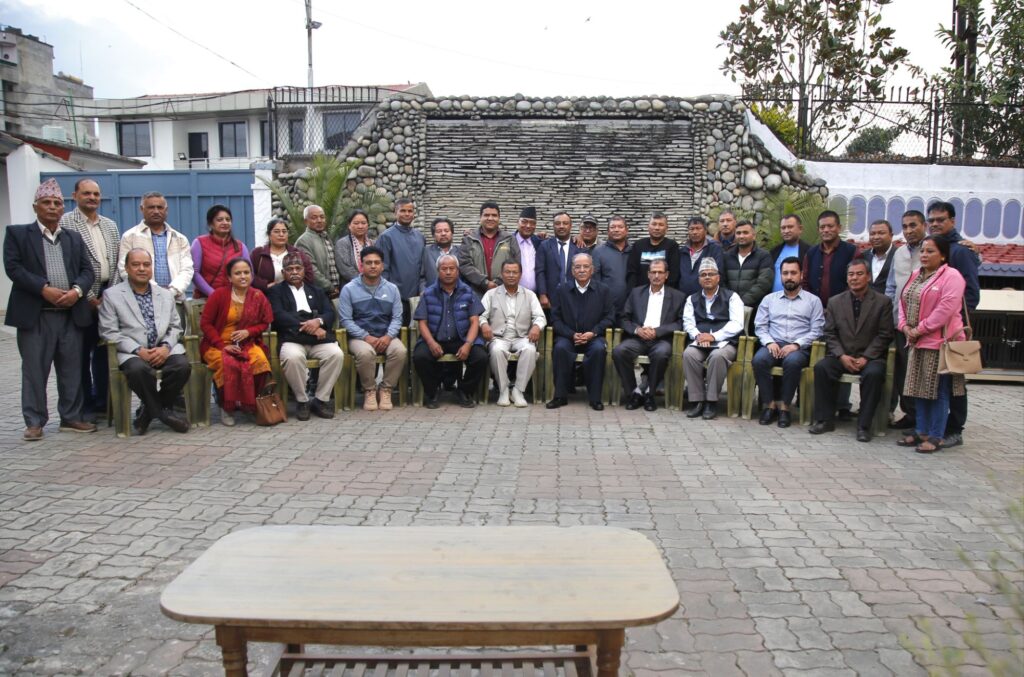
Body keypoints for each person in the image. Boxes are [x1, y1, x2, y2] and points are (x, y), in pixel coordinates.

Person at [4, 179, 96, 440]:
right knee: (34, 370)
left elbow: (87, 270)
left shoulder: (73, 238)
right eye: (46, 202)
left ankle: (71, 416)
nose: (53, 207)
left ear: (63, 208)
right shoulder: (18, 234)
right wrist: (43, 289)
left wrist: (76, 291)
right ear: (36, 207)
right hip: (36, 316)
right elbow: (13, 268)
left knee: (71, 369)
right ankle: (35, 421)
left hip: (69, 315)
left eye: (57, 203)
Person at [98, 248, 191, 434]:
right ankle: (164, 414)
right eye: (136, 264)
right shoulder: (112, 295)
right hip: (132, 352)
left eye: (146, 265)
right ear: (126, 268)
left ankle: (147, 414)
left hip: (163, 348)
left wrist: (165, 347)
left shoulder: (165, 294)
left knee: (182, 366)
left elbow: (175, 327)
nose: (142, 269)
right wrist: (138, 350)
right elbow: (108, 331)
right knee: (138, 370)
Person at [809, 259, 894, 442]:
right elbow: (829, 333)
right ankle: (825, 420)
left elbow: (885, 335)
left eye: (859, 274)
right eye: (851, 274)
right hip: (842, 355)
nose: (854, 278)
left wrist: (866, 357)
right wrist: (841, 355)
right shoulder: (835, 302)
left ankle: (864, 426)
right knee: (822, 368)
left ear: (868, 277)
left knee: (874, 374)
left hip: (870, 358)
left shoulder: (883, 302)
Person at [897, 235, 967, 454]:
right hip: (916, 342)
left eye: (930, 251)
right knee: (919, 390)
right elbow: (902, 302)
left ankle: (936, 436)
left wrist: (919, 329)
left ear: (943, 255)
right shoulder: (916, 275)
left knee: (938, 392)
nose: (924, 255)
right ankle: (922, 431)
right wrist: (904, 327)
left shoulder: (952, 276)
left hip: (940, 344)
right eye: (923, 251)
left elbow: (945, 310)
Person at [59, 178, 120, 416]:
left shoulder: (110, 225)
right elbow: (68, 264)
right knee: (81, 353)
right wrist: (91, 297)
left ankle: (104, 402)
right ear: (75, 196)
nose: (92, 198)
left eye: (95, 194)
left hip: (108, 295)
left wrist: (109, 295)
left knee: (106, 351)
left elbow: (118, 262)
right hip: (81, 297)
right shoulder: (66, 222)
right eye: (86, 193)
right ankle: (85, 405)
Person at [926, 201, 980, 449]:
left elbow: (971, 295)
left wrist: (954, 322)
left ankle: (955, 429)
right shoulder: (931, 248)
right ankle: (932, 426)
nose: (935, 224)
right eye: (932, 220)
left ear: (952, 221)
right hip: (931, 330)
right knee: (935, 382)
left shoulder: (961, 251)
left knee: (955, 381)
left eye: (941, 220)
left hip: (952, 331)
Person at [268, 253, 344, 421]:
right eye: (290, 269)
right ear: (283, 272)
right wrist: (310, 328)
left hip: (318, 339)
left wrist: (318, 321)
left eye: (298, 268)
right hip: (292, 338)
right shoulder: (275, 291)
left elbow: (329, 313)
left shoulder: (316, 290)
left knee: (336, 354)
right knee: (292, 357)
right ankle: (302, 401)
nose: (294, 272)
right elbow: (279, 316)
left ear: (304, 270)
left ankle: (320, 400)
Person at [751, 257, 824, 428]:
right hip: (774, 344)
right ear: (780, 276)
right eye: (785, 273)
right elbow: (760, 326)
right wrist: (769, 342)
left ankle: (785, 408)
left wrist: (796, 345)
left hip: (799, 347)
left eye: (793, 273)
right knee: (759, 360)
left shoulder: (813, 301)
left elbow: (817, 330)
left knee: (792, 362)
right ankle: (770, 405)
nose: (789, 277)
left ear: (801, 275)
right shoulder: (769, 299)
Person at [200, 258, 273, 426]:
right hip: (217, 344)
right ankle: (227, 407)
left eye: (246, 272)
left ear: (252, 275)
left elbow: (265, 322)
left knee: (260, 361)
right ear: (229, 277)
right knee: (228, 364)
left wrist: (249, 331)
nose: (243, 276)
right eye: (237, 273)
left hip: (247, 343)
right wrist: (222, 346)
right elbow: (205, 324)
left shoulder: (257, 296)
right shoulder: (219, 295)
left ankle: (250, 405)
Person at [413, 254, 488, 409]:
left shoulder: (467, 292)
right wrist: (431, 342)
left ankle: (464, 391)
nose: (448, 272)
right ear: (438, 271)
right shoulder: (428, 293)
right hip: (435, 338)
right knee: (420, 356)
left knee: (480, 357)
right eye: (444, 269)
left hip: (461, 338)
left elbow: (475, 322)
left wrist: (468, 344)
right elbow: (422, 322)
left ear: (457, 271)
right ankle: (432, 392)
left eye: (451, 268)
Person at [338, 246, 407, 411]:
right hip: (360, 337)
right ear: (361, 265)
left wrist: (388, 336)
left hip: (386, 335)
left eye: (377, 262)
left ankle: (386, 389)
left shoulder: (392, 289)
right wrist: (365, 336)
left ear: (382, 266)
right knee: (365, 353)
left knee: (400, 351)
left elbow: (397, 317)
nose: (373, 266)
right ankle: (369, 390)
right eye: (368, 263)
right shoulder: (349, 289)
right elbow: (346, 320)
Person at [612, 259, 686, 411]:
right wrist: (638, 330)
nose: (656, 276)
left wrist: (657, 331)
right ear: (648, 274)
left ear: (666, 275)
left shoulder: (678, 296)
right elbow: (623, 318)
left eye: (660, 272)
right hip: (638, 338)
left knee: (661, 353)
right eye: (653, 272)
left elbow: (680, 322)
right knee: (619, 351)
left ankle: (650, 393)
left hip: (661, 339)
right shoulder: (636, 293)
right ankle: (634, 393)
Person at [546, 253, 615, 411]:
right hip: (568, 337)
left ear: (592, 269)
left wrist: (594, 332)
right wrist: (571, 334)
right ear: (572, 271)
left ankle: (595, 398)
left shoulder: (603, 290)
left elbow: (610, 317)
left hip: (594, 337)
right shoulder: (562, 290)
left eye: (586, 266)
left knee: (598, 350)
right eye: (578, 267)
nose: (582, 270)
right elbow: (555, 319)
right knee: (560, 349)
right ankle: (560, 396)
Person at [682, 258, 744, 420]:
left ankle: (711, 401)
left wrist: (714, 336)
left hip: (726, 342)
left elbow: (737, 323)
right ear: (699, 279)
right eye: (703, 275)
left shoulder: (732, 297)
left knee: (717, 356)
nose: (707, 277)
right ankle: (697, 400)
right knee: (689, 354)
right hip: (700, 340)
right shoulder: (691, 299)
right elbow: (688, 323)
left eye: (711, 274)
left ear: (718, 277)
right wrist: (698, 335)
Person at [479, 261, 546, 407]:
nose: (511, 275)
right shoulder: (491, 294)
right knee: (496, 351)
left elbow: (540, 317)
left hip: (522, 336)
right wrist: (484, 324)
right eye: (507, 272)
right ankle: (503, 390)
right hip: (498, 337)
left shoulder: (529, 295)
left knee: (530, 349)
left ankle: (518, 390)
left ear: (520, 275)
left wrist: (536, 327)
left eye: (514, 272)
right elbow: (480, 315)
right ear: (501, 274)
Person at [885, 210, 928, 430]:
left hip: (925, 327)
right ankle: (910, 414)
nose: (909, 230)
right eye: (905, 226)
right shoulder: (899, 253)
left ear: (924, 225)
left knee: (923, 374)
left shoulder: (931, 250)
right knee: (903, 372)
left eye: (913, 225)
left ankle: (924, 421)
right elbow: (891, 287)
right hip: (900, 324)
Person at [118, 192, 193, 302]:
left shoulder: (179, 238)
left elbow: (187, 269)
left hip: (175, 299)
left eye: (160, 207)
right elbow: (124, 269)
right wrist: (155, 290)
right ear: (142, 209)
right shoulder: (130, 237)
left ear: (166, 210)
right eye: (151, 207)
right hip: (141, 299)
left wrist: (172, 291)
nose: (156, 211)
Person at [377, 198, 426, 324]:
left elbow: (422, 268)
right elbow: (383, 269)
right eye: (403, 211)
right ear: (395, 213)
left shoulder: (420, 237)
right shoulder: (386, 237)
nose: (407, 214)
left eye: (410, 211)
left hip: (417, 296)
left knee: (416, 331)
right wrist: (387, 294)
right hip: (395, 296)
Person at [458, 201, 520, 297]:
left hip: (503, 292)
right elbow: (464, 264)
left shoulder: (509, 239)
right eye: (486, 215)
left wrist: (498, 282)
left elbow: (516, 262)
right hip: (475, 293)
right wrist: (484, 283)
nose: (490, 218)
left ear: (499, 218)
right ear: (480, 217)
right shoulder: (469, 239)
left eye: (494, 215)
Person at [191, 205, 250, 299]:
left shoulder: (240, 246)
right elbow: (194, 273)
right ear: (211, 223)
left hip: (234, 299)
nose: (225, 222)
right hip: (206, 299)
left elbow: (250, 273)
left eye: (228, 219)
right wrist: (214, 295)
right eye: (220, 220)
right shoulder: (199, 243)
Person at [802, 210, 857, 309]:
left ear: (839, 228)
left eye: (830, 226)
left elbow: (856, 282)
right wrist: (812, 304)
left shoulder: (851, 251)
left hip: (844, 309)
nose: (826, 230)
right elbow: (805, 282)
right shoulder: (811, 253)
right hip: (815, 310)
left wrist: (839, 305)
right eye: (822, 227)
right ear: (818, 230)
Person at [722, 220, 774, 312]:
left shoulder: (764, 256)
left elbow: (764, 283)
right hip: (730, 307)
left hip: (755, 309)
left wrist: (741, 302)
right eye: (738, 233)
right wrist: (731, 301)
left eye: (745, 233)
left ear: (754, 236)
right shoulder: (727, 256)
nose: (741, 236)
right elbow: (722, 281)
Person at [251, 218, 314, 292]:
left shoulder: (297, 254)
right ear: (269, 234)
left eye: (284, 231)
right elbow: (250, 275)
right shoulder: (258, 254)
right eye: (276, 231)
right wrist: (265, 285)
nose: (281, 235)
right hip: (266, 295)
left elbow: (309, 275)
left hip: (293, 294)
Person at [535, 211, 582, 311]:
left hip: (574, 298)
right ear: (553, 226)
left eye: (565, 223)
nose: (561, 226)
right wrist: (542, 294)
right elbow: (540, 271)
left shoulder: (579, 246)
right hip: (550, 299)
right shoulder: (544, 246)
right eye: (557, 223)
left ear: (570, 226)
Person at [295, 204, 342, 299]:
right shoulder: (303, 241)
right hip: (319, 293)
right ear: (306, 221)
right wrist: (330, 287)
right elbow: (311, 269)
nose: (319, 220)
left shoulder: (325, 237)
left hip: (336, 291)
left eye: (322, 217)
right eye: (314, 218)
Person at [627, 211, 680, 289]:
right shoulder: (638, 245)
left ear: (666, 228)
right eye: (654, 224)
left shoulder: (672, 246)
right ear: (648, 227)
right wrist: (634, 292)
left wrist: (666, 294)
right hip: (640, 293)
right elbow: (632, 273)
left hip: (664, 293)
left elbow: (674, 274)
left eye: (661, 225)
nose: (657, 228)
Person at [592, 215, 632, 315]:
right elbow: (595, 281)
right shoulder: (598, 252)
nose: (616, 230)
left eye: (620, 227)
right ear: (608, 231)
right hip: (607, 308)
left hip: (631, 308)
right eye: (613, 227)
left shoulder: (633, 251)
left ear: (626, 230)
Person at [677, 216, 724, 297]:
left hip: (706, 297)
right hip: (683, 298)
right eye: (691, 229)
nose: (695, 232)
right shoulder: (682, 252)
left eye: (698, 228)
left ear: (705, 231)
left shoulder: (715, 250)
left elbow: (719, 274)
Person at [334, 209, 376, 289]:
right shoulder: (342, 243)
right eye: (356, 223)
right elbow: (345, 269)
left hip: (373, 287)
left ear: (368, 225)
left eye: (363, 223)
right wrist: (366, 281)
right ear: (349, 225)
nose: (360, 226)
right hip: (351, 288)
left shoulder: (373, 243)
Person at [769, 214, 811, 292]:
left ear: (800, 229)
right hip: (774, 298)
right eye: (783, 228)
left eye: (790, 227)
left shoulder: (809, 252)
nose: (786, 231)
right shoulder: (774, 251)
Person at [421, 217, 460, 290]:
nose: (443, 234)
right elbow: (421, 277)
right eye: (439, 231)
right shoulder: (426, 251)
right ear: (433, 235)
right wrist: (423, 291)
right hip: (432, 294)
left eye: (446, 230)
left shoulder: (461, 251)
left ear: (452, 233)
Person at [858, 219, 896, 293]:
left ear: (891, 236)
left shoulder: (899, 255)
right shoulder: (864, 256)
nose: (876, 237)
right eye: (872, 234)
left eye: (881, 233)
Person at [513, 206, 543, 293]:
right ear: (517, 222)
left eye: (532, 223)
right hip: (512, 294)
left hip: (535, 296)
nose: (528, 226)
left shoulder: (539, 242)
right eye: (524, 222)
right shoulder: (508, 241)